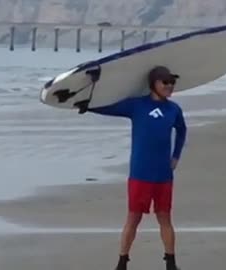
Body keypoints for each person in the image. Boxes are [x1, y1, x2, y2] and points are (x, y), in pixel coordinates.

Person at [76, 66, 187, 270]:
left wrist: (176, 156)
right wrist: (87, 105)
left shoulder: (174, 109)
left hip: (163, 175)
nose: (170, 86)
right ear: (154, 83)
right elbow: (110, 108)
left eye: (172, 82)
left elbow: (182, 131)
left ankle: (171, 263)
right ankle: (122, 262)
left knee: (165, 218)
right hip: (140, 174)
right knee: (133, 219)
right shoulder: (137, 106)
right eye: (165, 82)